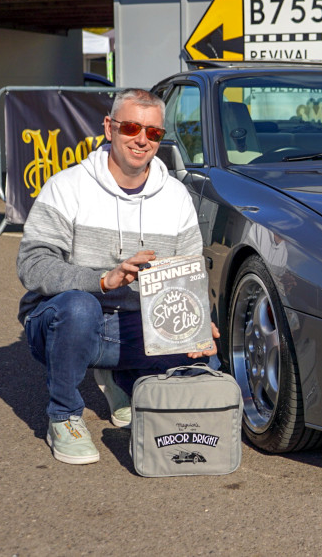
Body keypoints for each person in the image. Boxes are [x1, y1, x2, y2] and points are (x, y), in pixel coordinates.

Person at [16, 88, 219, 465]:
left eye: (153, 132)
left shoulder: (176, 197)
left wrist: (197, 323)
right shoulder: (67, 186)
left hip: (133, 322)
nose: (142, 139)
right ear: (109, 128)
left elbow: (188, 273)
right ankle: (64, 415)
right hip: (65, 321)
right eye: (131, 128)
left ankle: (122, 380)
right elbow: (32, 264)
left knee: (204, 360)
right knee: (80, 308)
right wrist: (102, 280)